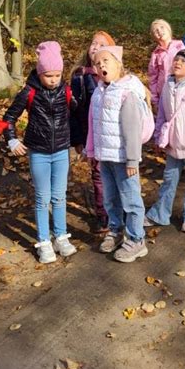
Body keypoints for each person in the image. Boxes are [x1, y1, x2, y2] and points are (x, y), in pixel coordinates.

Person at [3, 41, 77, 263]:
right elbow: (8, 118)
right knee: (43, 198)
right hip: (39, 152)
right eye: (48, 76)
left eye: (57, 75)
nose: (53, 80)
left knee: (60, 196)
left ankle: (61, 236)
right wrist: (12, 140)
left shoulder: (66, 91)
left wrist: (79, 142)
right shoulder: (29, 92)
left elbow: (77, 115)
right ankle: (44, 241)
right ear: (39, 72)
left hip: (62, 150)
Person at [85, 45, 149, 263]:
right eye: (97, 63)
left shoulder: (127, 92)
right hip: (106, 157)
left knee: (131, 200)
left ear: (118, 63)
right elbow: (93, 124)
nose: (101, 65)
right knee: (111, 198)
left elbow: (132, 129)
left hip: (124, 159)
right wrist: (92, 150)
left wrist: (132, 159)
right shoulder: (99, 91)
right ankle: (116, 230)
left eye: (106, 61)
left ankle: (136, 239)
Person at [145, 49, 185, 233]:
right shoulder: (167, 86)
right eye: (176, 59)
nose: (178, 63)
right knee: (169, 179)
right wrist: (159, 135)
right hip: (173, 143)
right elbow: (163, 115)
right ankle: (160, 213)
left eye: (183, 61)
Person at [70, 30, 115, 232]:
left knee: (117, 173)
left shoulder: (116, 77)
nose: (95, 47)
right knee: (98, 174)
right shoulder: (80, 76)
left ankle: (120, 210)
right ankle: (103, 214)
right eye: (93, 43)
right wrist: (78, 138)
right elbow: (75, 110)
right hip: (93, 134)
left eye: (101, 44)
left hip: (114, 134)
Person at [147, 19, 184, 110]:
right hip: (163, 95)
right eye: (156, 31)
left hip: (180, 92)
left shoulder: (180, 48)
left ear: (169, 29)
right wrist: (154, 99)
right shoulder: (156, 54)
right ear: (153, 37)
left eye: (162, 27)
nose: (160, 31)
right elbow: (153, 78)